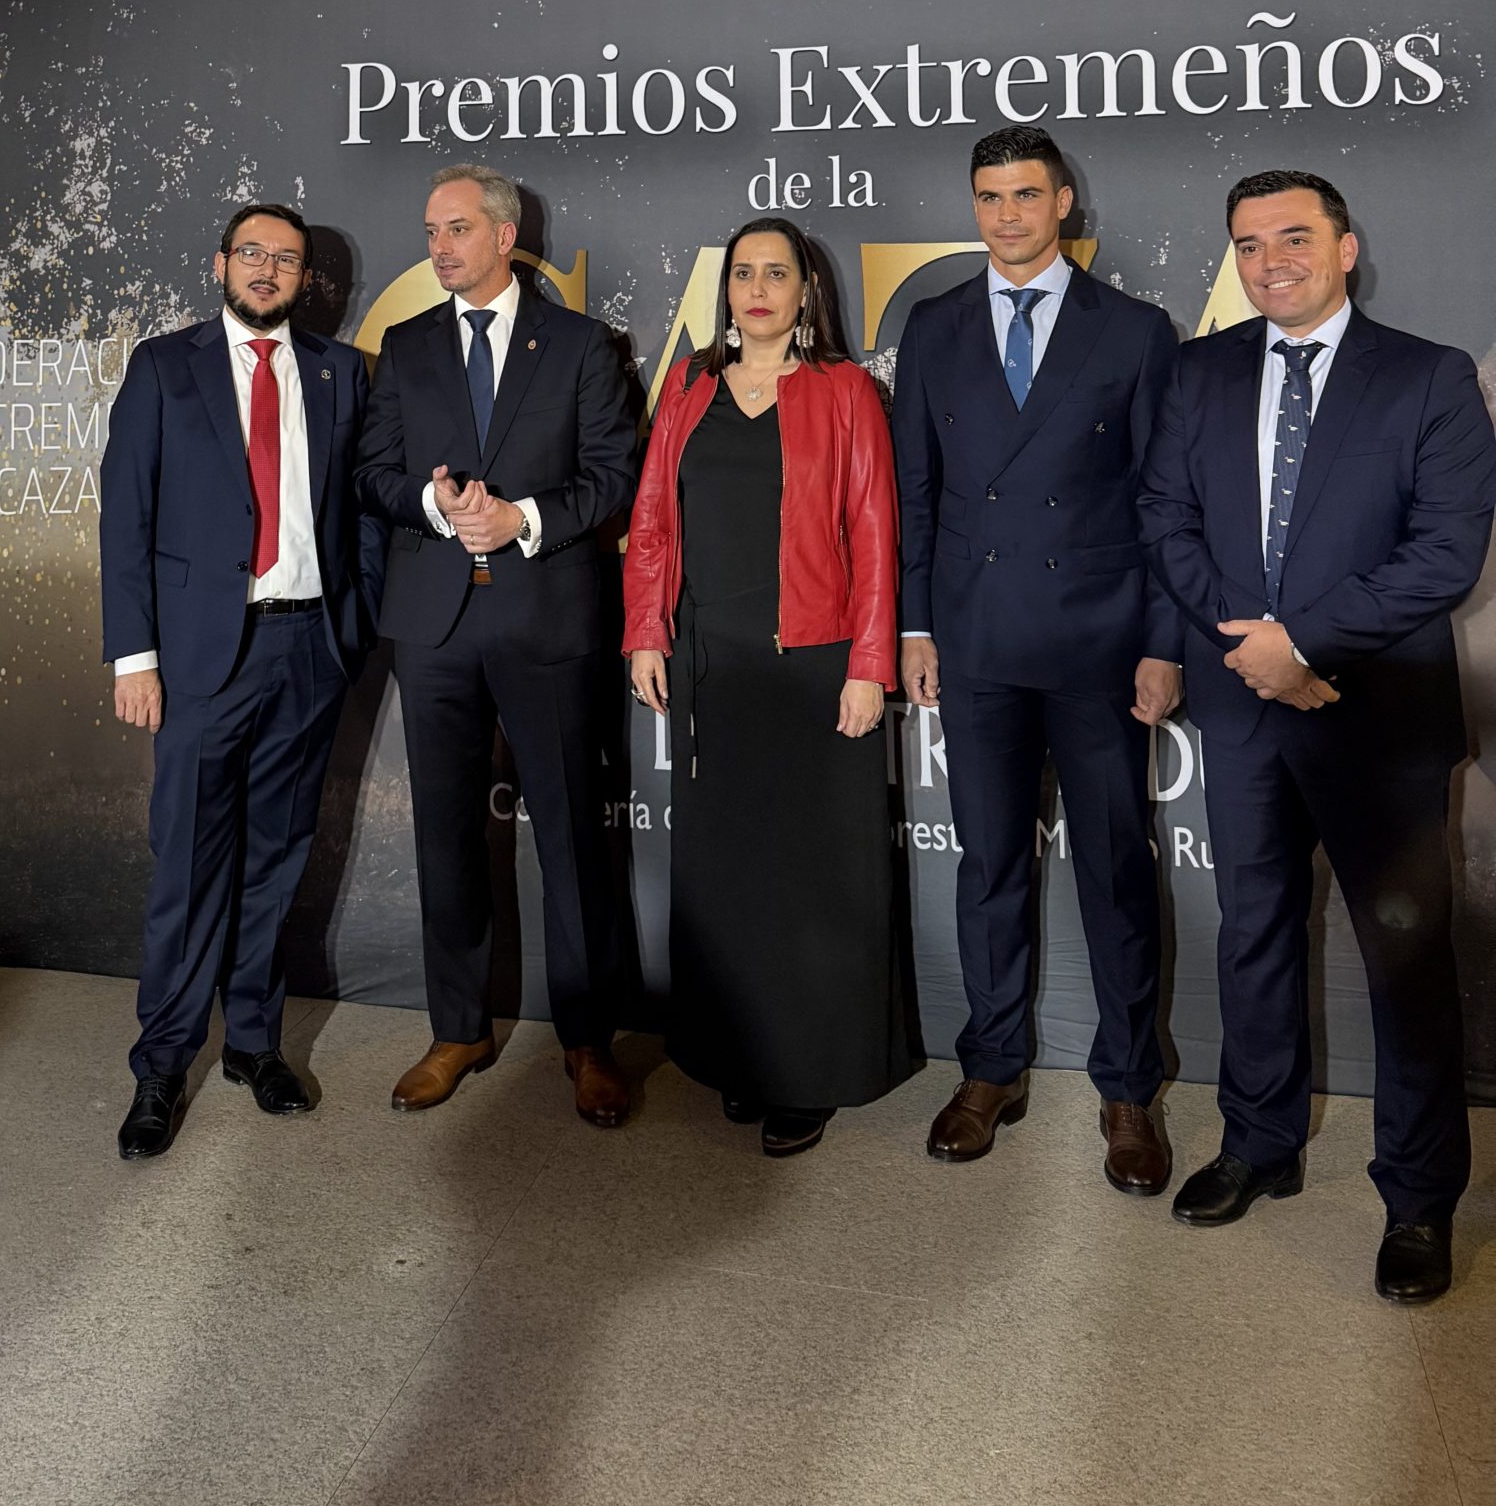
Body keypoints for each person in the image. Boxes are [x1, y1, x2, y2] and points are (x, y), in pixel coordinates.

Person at [1140, 169, 1496, 1302]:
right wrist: (1253, 650)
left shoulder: (1430, 376)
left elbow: (1447, 553)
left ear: (1346, 248)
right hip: (1244, 707)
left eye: (1294, 237)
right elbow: (1166, 519)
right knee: (1253, 934)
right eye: (1248, 245)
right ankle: (1259, 1142)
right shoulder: (1200, 371)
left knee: (1405, 959)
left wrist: (1301, 643)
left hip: (1377, 715)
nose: (1270, 261)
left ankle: (1419, 1198)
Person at [893, 126, 1180, 1192]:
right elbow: (916, 490)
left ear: (1063, 201)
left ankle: (1129, 1088)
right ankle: (991, 1067)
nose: (1006, 214)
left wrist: (1162, 642)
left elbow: (1163, 503)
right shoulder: (933, 326)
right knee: (989, 866)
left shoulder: (1136, 330)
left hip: (1098, 641)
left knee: (1114, 869)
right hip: (973, 638)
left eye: (1025, 194)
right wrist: (915, 626)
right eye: (989, 196)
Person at [624, 219, 913, 1157]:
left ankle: (807, 1073)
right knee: (730, 879)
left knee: (809, 880)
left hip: (814, 664)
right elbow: (653, 520)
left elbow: (875, 535)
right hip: (713, 664)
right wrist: (645, 632)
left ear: (806, 292)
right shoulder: (688, 386)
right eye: (742, 273)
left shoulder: (845, 390)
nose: (756, 289)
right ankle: (739, 1056)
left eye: (775, 273)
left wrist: (869, 666)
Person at [99, 203, 383, 1159]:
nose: (267, 270)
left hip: (310, 650)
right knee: (188, 865)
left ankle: (253, 1044)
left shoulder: (341, 372)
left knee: (276, 861)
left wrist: (351, 627)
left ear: (308, 280)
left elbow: (363, 509)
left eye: (287, 259)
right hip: (197, 660)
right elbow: (125, 517)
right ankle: (161, 1064)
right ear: (220, 264)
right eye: (252, 253)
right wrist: (135, 656)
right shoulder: (163, 366)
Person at [356, 165, 637, 1125]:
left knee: (571, 841)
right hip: (434, 627)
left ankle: (588, 1041)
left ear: (506, 237)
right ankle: (458, 1029)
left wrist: (524, 518)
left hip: (547, 619)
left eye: (457, 229)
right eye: (431, 231)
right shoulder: (407, 346)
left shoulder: (582, 346)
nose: (439, 247)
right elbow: (373, 474)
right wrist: (432, 505)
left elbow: (613, 474)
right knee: (443, 835)